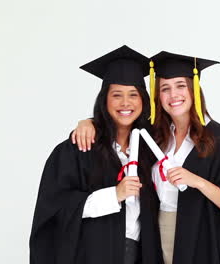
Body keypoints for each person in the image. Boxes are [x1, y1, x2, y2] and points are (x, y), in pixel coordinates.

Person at [72, 51, 220, 264]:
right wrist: (88, 122)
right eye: (165, 89)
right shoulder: (153, 139)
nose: (173, 95)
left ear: (194, 89)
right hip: (157, 239)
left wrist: (197, 181)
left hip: (205, 240)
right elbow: (120, 121)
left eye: (180, 85)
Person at [29, 45, 163, 264]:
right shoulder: (79, 148)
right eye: (116, 95)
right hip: (91, 255)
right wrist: (114, 195)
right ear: (105, 100)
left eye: (133, 95)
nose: (125, 103)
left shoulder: (152, 149)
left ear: (143, 101)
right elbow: (56, 208)